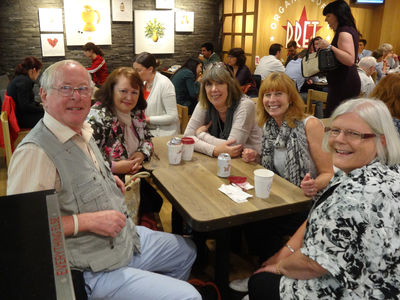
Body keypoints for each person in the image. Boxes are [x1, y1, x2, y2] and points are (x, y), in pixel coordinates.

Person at [7, 60, 201, 300]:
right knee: (189, 296)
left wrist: (107, 179)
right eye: (66, 88)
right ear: (44, 96)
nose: (77, 97)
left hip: (124, 238)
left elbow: (92, 169)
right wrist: (86, 221)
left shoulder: (82, 130)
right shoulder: (35, 153)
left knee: (187, 250)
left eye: (83, 89)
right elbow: (25, 230)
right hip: (92, 266)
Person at [247, 98, 400, 299]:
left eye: (353, 133)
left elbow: (313, 263)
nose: (339, 139)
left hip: (358, 289)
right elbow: (318, 216)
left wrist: (278, 267)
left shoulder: (354, 197)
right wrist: (286, 251)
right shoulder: (380, 170)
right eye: (335, 130)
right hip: (381, 278)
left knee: (259, 282)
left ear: (381, 140)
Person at [229, 72, 333, 295]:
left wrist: (314, 184)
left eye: (278, 94)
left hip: (307, 203)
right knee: (249, 217)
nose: (271, 100)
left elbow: (329, 173)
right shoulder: (269, 127)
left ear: (291, 98)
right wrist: (256, 157)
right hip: (282, 197)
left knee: (262, 224)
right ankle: (263, 272)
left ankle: (268, 276)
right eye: (267, 94)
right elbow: (274, 167)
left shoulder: (309, 125)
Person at [87, 67, 163, 220]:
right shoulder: (98, 116)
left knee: (155, 201)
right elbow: (85, 157)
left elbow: (148, 139)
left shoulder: (136, 112)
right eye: (123, 91)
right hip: (107, 184)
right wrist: (116, 167)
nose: (129, 97)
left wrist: (141, 154)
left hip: (134, 180)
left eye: (134, 92)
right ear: (111, 90)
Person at [184, 62, 262, 158]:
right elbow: (187, 137)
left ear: (230, 85)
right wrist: (214, 151)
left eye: (220, 83)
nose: (213, 89)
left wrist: (201, 135)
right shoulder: (205, 102)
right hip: (221, 161)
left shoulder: (245, 105)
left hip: (250, 165)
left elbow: (233, 147)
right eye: (209, 84)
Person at [316, 0, 361, 117]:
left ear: (338, 14)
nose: (326, 20)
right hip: (343, 82)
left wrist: (330, 47)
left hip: (344, 83)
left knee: (335, 119)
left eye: (328, 16)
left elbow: (350, 59)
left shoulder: (344, 32)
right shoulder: (348, 30)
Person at [133, 52, 180, 136]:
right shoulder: (144, 83)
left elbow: (173, 117)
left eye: (139, 70)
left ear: (150, 69)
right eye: (134, 70)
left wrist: (147, 119)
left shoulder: (165, 84)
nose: (135, 74)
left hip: (163, 134)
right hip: (147, 130)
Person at [6, 56, 44, 128]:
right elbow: (25, 107)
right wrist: (43, 108)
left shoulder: (20, 78)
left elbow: (27, 101)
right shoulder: (24, 82)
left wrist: (39, 104)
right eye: (39, 72)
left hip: (18, 116)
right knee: (50, 117)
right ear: (33, 70)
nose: (38, 75)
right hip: (21, 120)